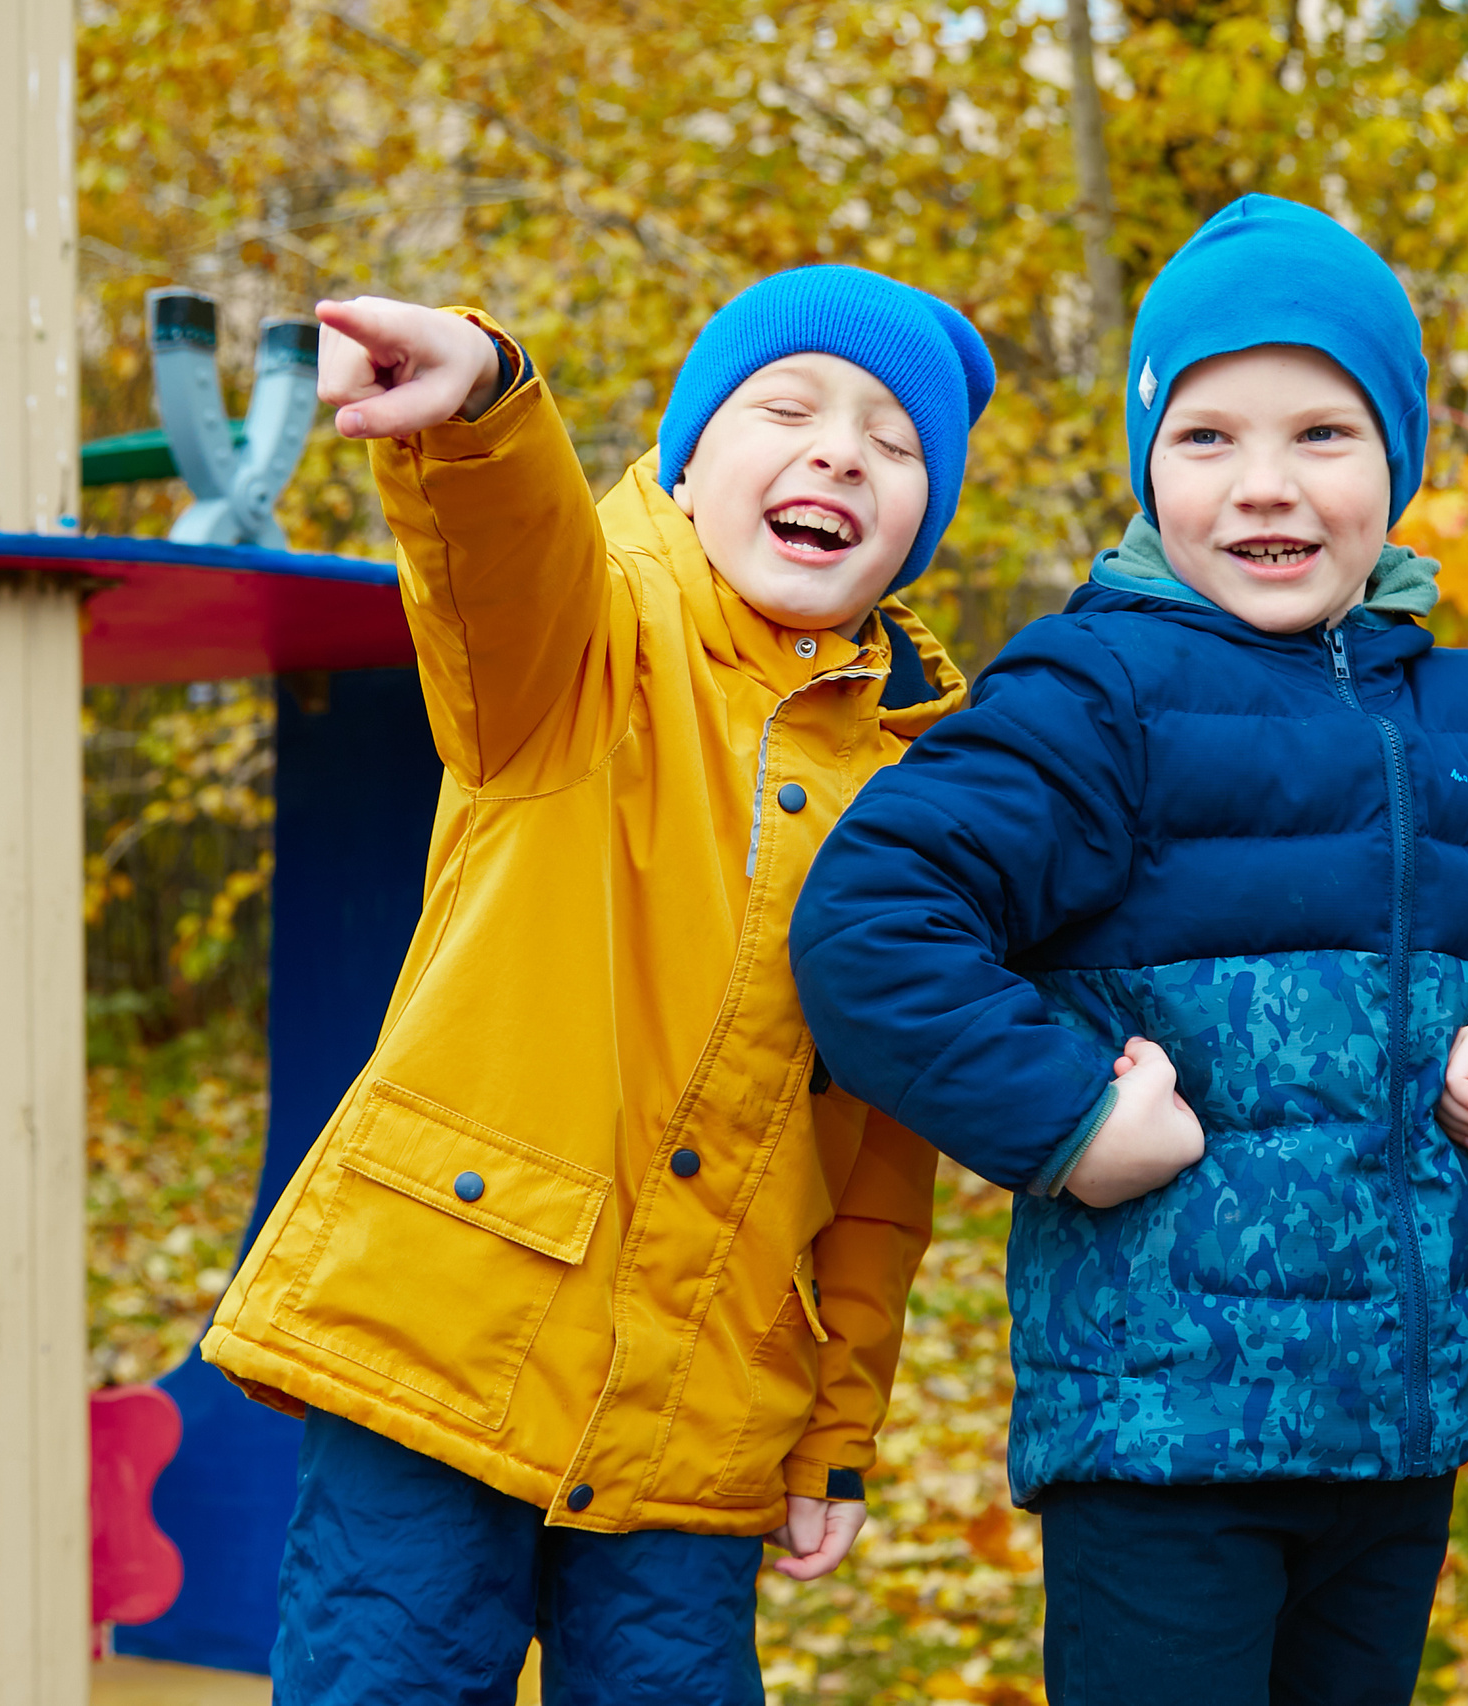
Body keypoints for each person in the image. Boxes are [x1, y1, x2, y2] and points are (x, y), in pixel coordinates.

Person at [787, 195, 1468, 1705]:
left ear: (1398, 462)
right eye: (1207, 438)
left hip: (1400, 1422)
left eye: (1323, 434)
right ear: (1147, 465)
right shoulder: (1097, 694)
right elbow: (871, 923)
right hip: (1164, 1429)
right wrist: (1071, 1121)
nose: (1266, 486)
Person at [201, 267, 995, 1705]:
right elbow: (504, 560)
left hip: (701, 1405)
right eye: (790, 407)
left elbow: (882, 1158)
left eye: (893, 442)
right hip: (444, 1350)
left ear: (916, 528)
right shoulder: (587, 648)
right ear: (690, 457)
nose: (838, 451)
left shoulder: (919, 800)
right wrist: (486, 407)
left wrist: (840, 1420)